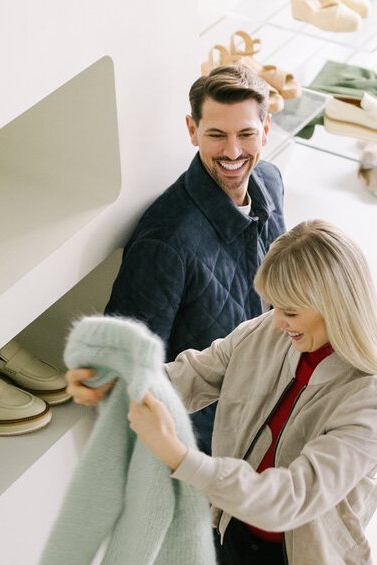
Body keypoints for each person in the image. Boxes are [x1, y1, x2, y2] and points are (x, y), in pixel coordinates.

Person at [66, 220, 377, 565]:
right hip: (240, 554)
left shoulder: (374, 400)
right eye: (273, 306)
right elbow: (194, 374)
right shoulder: (267, 334)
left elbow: (290, 498)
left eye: (290, 310)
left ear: (336, 305)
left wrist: (180, 456)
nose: (278, 320)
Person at [105, 63, 286, 456]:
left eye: (247, 134)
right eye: (216, 135)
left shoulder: (270, 181)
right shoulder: (166, 241)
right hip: (208, 444)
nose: (233, 152)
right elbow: (129, 371)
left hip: (271, 410)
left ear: (266, 130)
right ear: (192, 130)